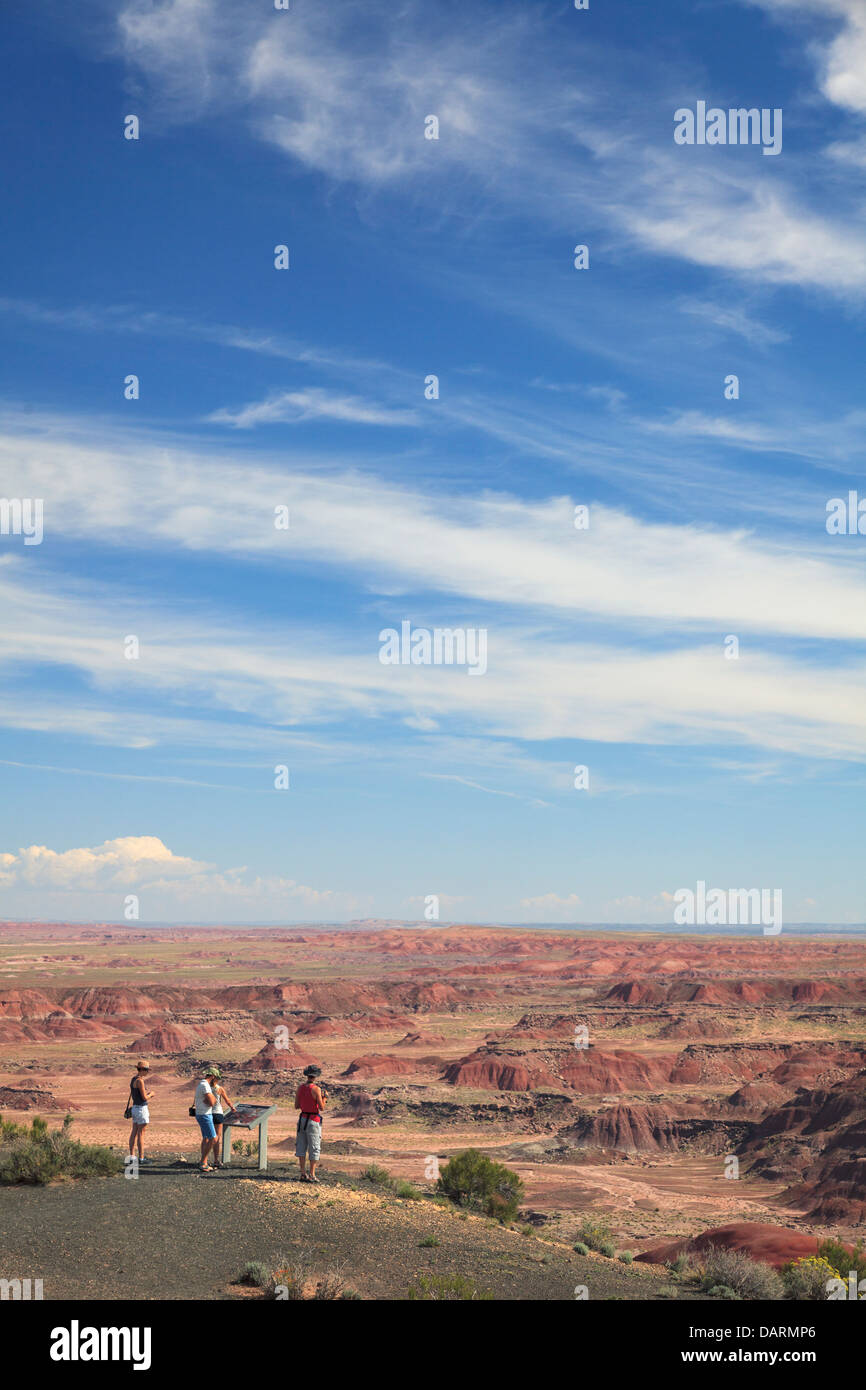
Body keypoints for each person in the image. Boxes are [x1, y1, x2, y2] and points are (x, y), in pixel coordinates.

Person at [294, 1064, 326, 1183]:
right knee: (314, 1147)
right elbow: (321, 1108)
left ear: (307, 1075)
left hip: (302, 1119)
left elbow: (296, 1106)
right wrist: (324, 1098)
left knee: (301, 1146)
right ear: (316, 1076)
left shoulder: (300, 1087)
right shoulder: (316, 1089)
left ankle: (303, 1173)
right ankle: (312, 1174)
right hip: (313, 1120)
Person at [193, 1066, 222, 1172]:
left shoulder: (202, 1084)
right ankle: (203, 1162)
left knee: (206, 1137)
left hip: (202, 1113)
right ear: (213, 1076)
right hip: (205, 1114)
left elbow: (210, 1100)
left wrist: (211, 1099)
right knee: (213, 1138)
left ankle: (203, 1161)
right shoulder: (205, 1085)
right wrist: (213, 1099)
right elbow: (212, 1102)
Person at [127, 1060, 151, 1164]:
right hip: (141, 1109)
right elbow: (144, 1098)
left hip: (135, 1108)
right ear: (142, 1070)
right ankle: (141, 1158)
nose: (147, 1072)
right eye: (147, 1070)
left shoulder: (133, 1079)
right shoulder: (140, 1081)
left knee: (134, 1132)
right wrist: (151, 1094)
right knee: (141, 1133)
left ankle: (132, 1156)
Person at [210, 1075, 236, 1169]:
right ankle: (216, 1160)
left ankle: (204, 1158)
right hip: (217, 1114)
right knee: (217, 1137)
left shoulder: (206, 1088)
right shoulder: (220, 1089)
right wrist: (232, 1108)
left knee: (208, 1136)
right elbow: (227, 1101)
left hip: (208, 1114)